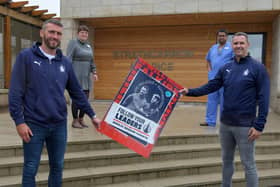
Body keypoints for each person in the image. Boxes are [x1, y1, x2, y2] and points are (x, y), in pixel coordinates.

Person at [8, 19, 101, 187]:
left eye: (58, 34)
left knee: (57, 167)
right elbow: (15, 93)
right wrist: (19, 122)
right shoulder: (26, 57)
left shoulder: (65, 62)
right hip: (33, 124)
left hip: (59, 125)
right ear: (42, 33)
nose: (55, 36)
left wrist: (92, 115)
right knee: (30, 167)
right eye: (51, 32)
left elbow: (77, 92)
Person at [180, 32, 270, 187]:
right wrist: (190, 91)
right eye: (236, 43)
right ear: (232, 46)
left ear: (247, 45)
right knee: (226, 161)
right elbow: (212, 85)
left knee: (248, 164)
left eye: (242, 43)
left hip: (245, 127)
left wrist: (259, 125)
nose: (239, 46)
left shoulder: (258, 68)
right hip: (226, 125)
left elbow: (264, 98)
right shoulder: (226, 67)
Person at [66, 25, 98, 128]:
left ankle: (81, 119)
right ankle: (75, 121)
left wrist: (94, 72)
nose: (84, 34)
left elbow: (91, 61)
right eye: (82, 32)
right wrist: (68, 74)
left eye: (86, 33)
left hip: (86, 77)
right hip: (76, 75)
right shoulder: (73, 43)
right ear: (78, 33)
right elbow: (68, 59)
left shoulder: (88, 46)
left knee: (85, 99)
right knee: (76, 99)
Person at [201, 29, 234, 127]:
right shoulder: (213, 48)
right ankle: (210, 121)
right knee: (211, 100)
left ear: (226, 37)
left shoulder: (231, 47)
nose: (221, 37)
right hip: (213, 80)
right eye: (219, 36)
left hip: (225, 80)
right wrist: (210, 72)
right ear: (217, 37)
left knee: (225, 102)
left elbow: (234, 62)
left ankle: (225, 122)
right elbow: (208, 60)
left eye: (223, 36)